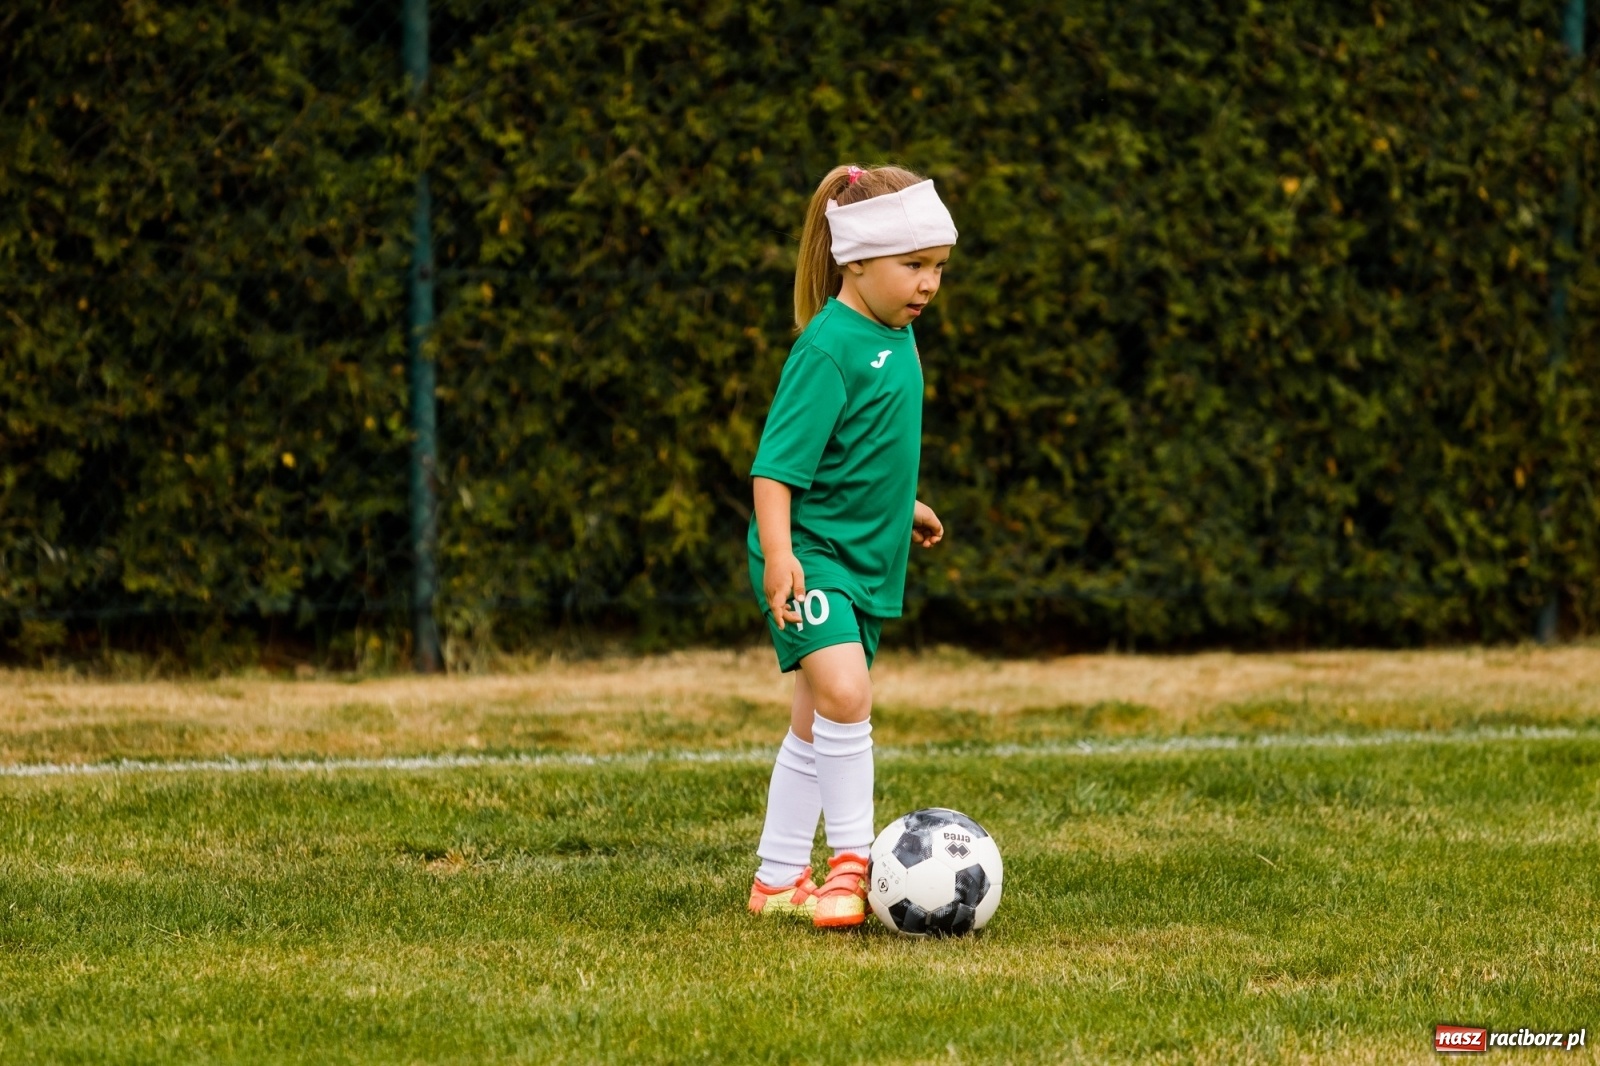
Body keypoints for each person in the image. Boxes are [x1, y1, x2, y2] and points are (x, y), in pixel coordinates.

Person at [745, 163, 955, 928]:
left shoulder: (893, 336)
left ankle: (775, 878)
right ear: (855, 259)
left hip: (863, 554)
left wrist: (903, 508)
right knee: (845, 695)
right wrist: (779, 555)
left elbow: (860, 458)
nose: (928, 283)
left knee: (812, 721)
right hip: (807, 553)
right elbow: (776, 470)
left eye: (937, 267)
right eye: (913, 265)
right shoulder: (831, 347)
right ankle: (854, 869)